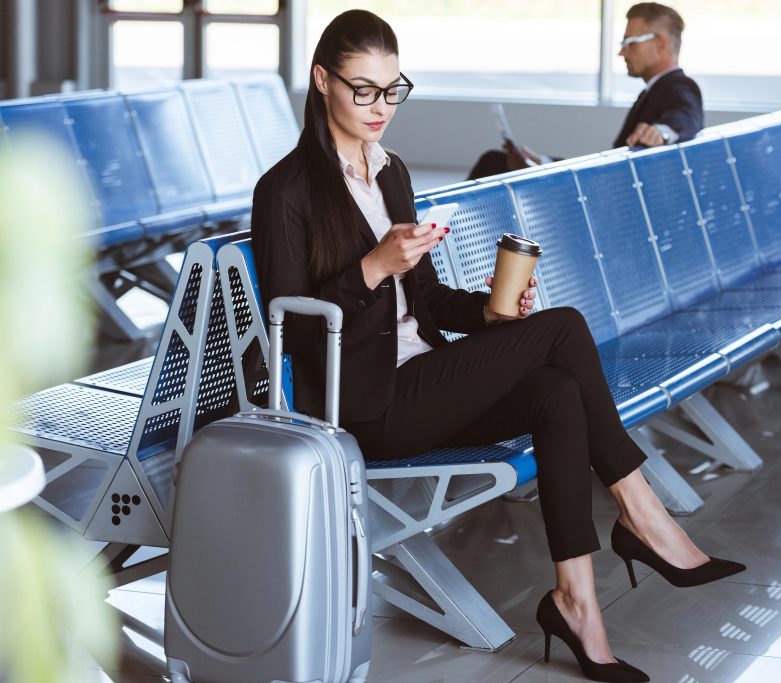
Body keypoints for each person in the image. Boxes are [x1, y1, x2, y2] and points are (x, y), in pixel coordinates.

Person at [251, 10, 742, 682]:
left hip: (421, 376)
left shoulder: (389, 172)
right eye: (363, 89)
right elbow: (292, 328)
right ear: (321, 81)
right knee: (565, 329)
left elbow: (422, 301)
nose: (381, 106)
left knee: (557, 392)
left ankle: (577, 601)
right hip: (363, 406)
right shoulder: (286, 189)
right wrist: (371, 267)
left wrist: (487, 312)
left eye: (394, 89)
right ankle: (642, 511)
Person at [467, 2, 704, 181]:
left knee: (492, 164)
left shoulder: (679, 87)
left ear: (661, 43)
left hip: (614, 203)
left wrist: (661, 132)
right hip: (608, 188)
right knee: (497, 162)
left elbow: (685, 114)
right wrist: (543, 163)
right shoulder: (652, 92)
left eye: (630, 42)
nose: (622, 53)